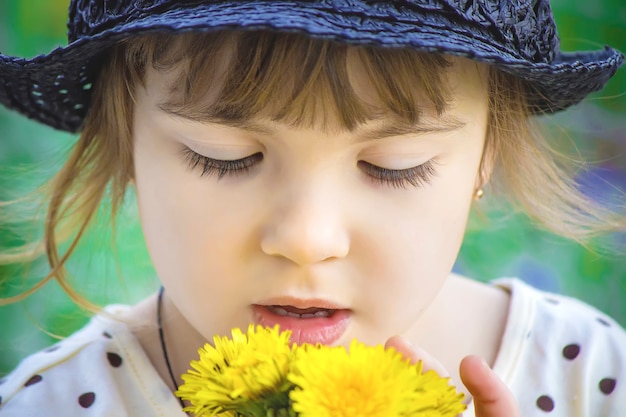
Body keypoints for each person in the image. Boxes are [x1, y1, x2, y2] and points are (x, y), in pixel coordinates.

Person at [0, 0, 624, 416]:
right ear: (124, 144)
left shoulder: (589, 377)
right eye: (225, 156)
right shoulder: (51, 403)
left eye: (393, 166)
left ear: (484, 156)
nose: (307, 238)